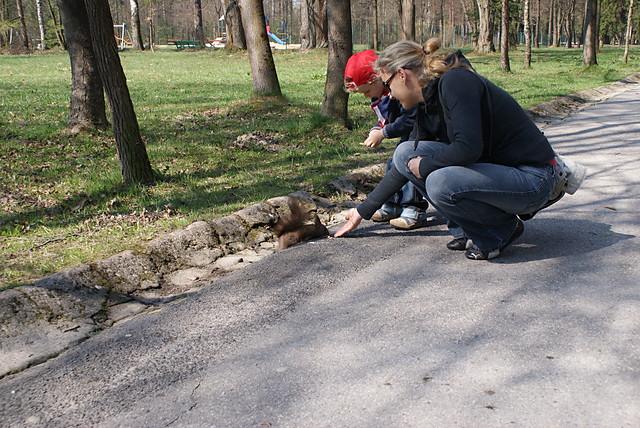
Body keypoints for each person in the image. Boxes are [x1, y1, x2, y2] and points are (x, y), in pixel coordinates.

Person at [335, 39, 584, 260]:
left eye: (387, 86)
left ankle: (498, 231)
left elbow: (468, 148)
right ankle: (471, 229)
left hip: (535, 178)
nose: (388, 95)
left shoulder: (456, 82)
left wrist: (425, 165)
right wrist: (362, 211)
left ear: (402, 75)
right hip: (501, 173)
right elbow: (403, 166)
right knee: (405, 153)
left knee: (440, 180)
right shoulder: (426, 100)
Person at [344, 50, 429, 230]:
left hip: (419, 133)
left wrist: (384, 133)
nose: (367, 96)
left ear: (378, 79)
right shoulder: (379, 96)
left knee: (409, 165)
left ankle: (413, 207)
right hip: (407, 134)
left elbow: (408, 119)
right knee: (392, 166)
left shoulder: (398, 90)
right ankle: (392, 203)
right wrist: (377, 129)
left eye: (366, 90)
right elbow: (386, 118)